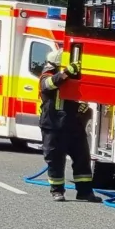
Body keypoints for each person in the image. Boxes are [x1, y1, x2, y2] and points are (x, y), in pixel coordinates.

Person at [39, 51, 98, 202]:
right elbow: (48, 85)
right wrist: (66, 73)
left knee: (82, 158)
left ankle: (85, 192)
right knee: (56, 159)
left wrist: (83, 107)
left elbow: (82, 94)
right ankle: (57, 191)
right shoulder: (47, 76)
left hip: (74, 125)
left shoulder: (72, 77)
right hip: (53, 126)